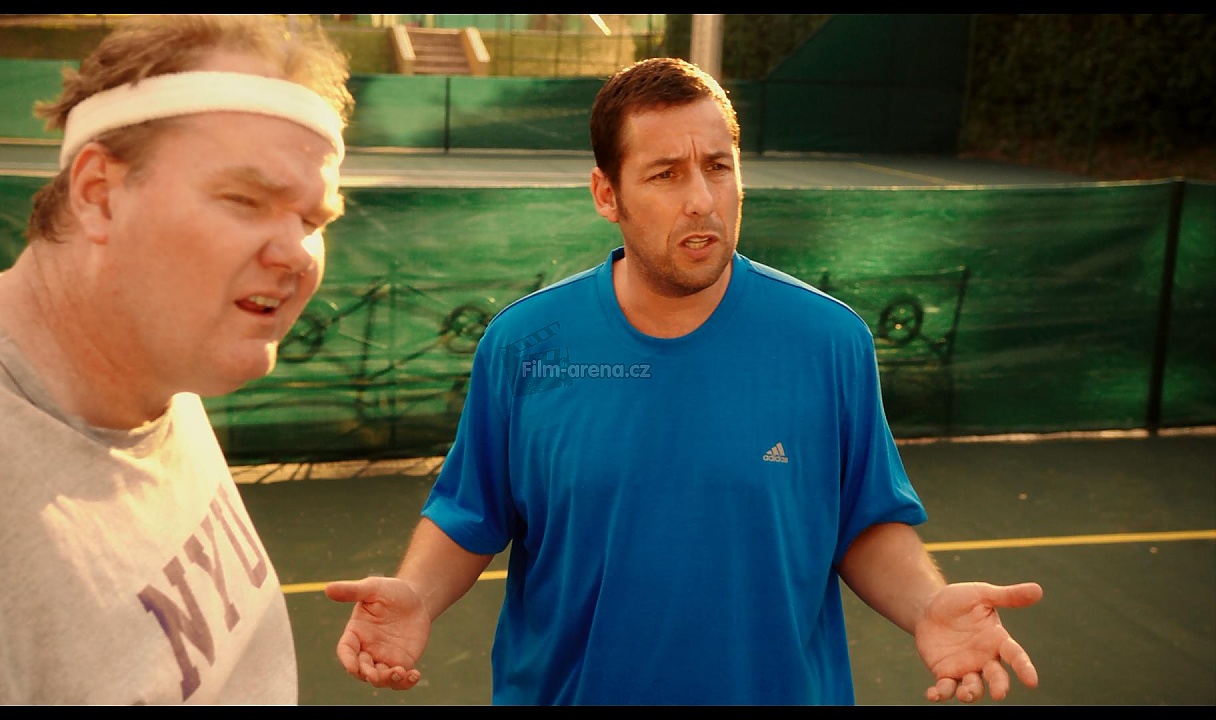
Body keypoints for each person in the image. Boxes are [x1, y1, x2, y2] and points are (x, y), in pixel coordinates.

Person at [325, 56, 1043, 706]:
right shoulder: (525, 345)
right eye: (666, 173)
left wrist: (926, 605)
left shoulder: (830, 341)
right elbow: (469, 511)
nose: (701, 198)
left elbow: (864, 519)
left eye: (718, 167)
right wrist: (416, 592)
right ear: (606, 193)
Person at [0, 14, 353, 704]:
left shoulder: (160, 373)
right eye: (245, 200)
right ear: (99, 194)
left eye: (313, 221)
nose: (297, 256)